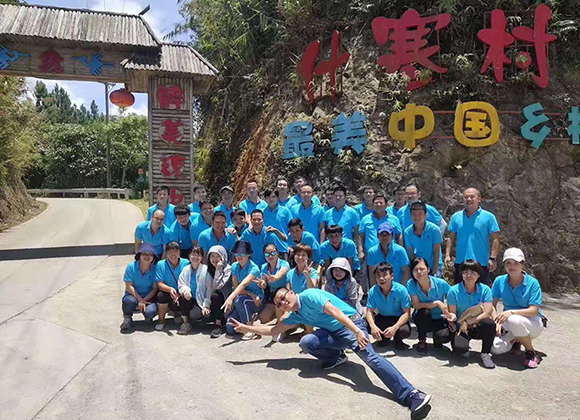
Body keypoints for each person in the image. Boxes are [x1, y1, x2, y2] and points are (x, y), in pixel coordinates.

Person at [228, 287, 432, 419]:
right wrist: (247, 328)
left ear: (291, 292)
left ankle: (412, 394)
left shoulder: (309, 296)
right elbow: (273, 330)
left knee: (370, 358)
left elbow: (336, 312)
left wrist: (357, 331)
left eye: (283, 298)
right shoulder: (296, 314)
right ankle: (337, 357)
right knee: (307, 342)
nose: (283, 304)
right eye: (279, 304)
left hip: (351, 323)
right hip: (333, 332)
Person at [491, 248, 543, 368]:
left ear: (522, 264)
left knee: (513, 320)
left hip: (532, 322)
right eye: (508, 263)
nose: (512, 266)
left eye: (516, 263)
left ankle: (531, 352)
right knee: (496, 348)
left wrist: (511, 312)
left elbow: (534, 310)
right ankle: (517, 340)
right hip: (509, 321)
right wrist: (496, 321)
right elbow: (492, 305)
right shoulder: (499, 281)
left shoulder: (533, 283)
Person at [446, 260, 496, 369]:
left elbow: (487, 312)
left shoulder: (485, 289)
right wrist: (451, 319)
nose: (469, 275)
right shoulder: (453, 291)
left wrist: (468, 321)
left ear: (479, 275)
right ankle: (463, 347)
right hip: (461, 328)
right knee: (460, 351)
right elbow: (453, 313)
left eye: (473, 272)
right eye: (465, 272)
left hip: (477, 325)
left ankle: (485, 353)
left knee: (489, 323)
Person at [445, 187, 500, 286]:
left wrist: (493, 258)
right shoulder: (456, 217)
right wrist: (447, 255)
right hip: (461, 262)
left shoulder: (489, 217)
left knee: (482, 292)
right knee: (460, 292)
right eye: (466, 197)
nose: (469, 199)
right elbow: (451, 237)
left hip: (481, 263)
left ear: (479, 199)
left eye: (472, 197)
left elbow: (495, 239)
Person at [407, 257, 451, 355]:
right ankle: (422, 340)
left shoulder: (441, 283)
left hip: (439, 318)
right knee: (424, 311)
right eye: (415, 270)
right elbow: (417, 305)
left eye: (422, 269)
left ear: (428, 269)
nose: (419, 272)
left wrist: (449, 312)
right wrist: (436, 303)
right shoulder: (411, 284)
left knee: (442, 337)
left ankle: (437, 338)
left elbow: (453, 298)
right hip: (423, 318)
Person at [222, 240, 264, 340]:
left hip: (257, 299)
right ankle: (250, 319)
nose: (239, 256)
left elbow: (244, 284)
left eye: (243, 254)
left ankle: (249, 328)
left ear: (248, 255)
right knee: (230, 327)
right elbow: (237, 287)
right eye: (237, 254)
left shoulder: (254, 268)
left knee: (240, 301)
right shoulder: (234, 266)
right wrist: (250, 294)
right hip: (245, 297)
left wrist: (230, 298)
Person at [366, 263, 412, 350]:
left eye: (384, 275)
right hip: (383, 317)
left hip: (398, 318)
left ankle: (398, 339)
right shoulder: (373, 291)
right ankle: (384, 338)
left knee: (404, 331)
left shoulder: (401, 290)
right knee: (367, 325)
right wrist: (373, 326)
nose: (381, 278)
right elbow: (369, 311)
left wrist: (395, 327)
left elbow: (407, 313)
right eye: (378, 275)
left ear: (392, 276)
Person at [120, 243, 159, 332]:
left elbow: (154, 288)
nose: (147, 256)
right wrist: (139, 300)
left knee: (150, 311)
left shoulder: (155, 269)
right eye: (144, 254)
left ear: (153, 257)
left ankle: (147, 316)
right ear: (140, 255)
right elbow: (129, 286)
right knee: (129, 301)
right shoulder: (131, 267)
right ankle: (127, 318)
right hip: (133, 295)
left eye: (150, 254)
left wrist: (144, 300)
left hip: (148, 297)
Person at [154, 241, 191, 330]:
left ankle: (185, 319)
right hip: (168, 291)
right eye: (170, 251)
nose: (173, 254)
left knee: (186, 297)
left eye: (175, 251)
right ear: (166, 253)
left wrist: (181, 291)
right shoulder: (160, 264)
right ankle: (161, 320)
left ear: (179, 252)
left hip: (182, 290)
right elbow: (159, 283)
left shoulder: (186, 263)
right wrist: (169, 289)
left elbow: (189, 280)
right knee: (161, 296)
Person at [259, 242, 291, 341]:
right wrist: (262, 284)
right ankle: (278, 319)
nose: (270, 256)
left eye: (273, 253)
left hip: (285, 295)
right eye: (267, 254)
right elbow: (264, 281)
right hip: (272, 295)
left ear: (277, 253)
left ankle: (282, 329)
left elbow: (282, 272)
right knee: (263, 318)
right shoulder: (264, 267)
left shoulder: (284, 263)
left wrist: (275, 277)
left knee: (279, 302)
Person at [403, 201, 443, 276]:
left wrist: (434, 270)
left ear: (425, 215)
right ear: (410, 215)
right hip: (418, 267)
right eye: (414, 214)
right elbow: (411, 253)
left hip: (433, 265)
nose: (417, 217)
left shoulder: (434, 230)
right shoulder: (407, 232)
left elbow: (436, 251)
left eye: (420, 214)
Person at [176, 246, 209, 335]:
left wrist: (206, 304)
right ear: (189, 256)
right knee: (182, 298)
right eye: (193, 255)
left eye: (198, 255)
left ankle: (196, 319)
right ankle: (185, 322)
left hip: (201, 299)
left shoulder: (206, 270)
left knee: (195, 315)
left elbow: (209, 289)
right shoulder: (186, 269)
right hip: (190, 298)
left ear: (202, 257)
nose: (195, 257)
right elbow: (181, 283)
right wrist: (186, 290)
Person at [367, 222, 411, 287]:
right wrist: (375, 291)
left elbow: (406, 272)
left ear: (392, 236)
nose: (384, 237)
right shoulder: (372, 252)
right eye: (382, 234)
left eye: (387, 234)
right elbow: (372, 275)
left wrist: (401, 289)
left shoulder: (400, 250)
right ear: (378, 236)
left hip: (398, 288)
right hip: (379, 289)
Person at [206, 245, 233, 338]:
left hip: (226, 298)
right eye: (212, 256)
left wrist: (218, 269)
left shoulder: (228, 268)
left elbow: (217, 285)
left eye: (218, 256)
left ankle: (218, 324)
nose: (215, 259)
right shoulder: (208, 269)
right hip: (212, 301)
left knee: (216, 296)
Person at [263, 188, 293, 260]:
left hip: (282, 248)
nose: (271, 199)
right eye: (268, 197)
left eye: (273, 197)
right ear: (265, 199)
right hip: (267, 249)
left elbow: (291, 229)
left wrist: (290, 245)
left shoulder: (285, 211)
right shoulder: (262, 212)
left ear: (277, 198)